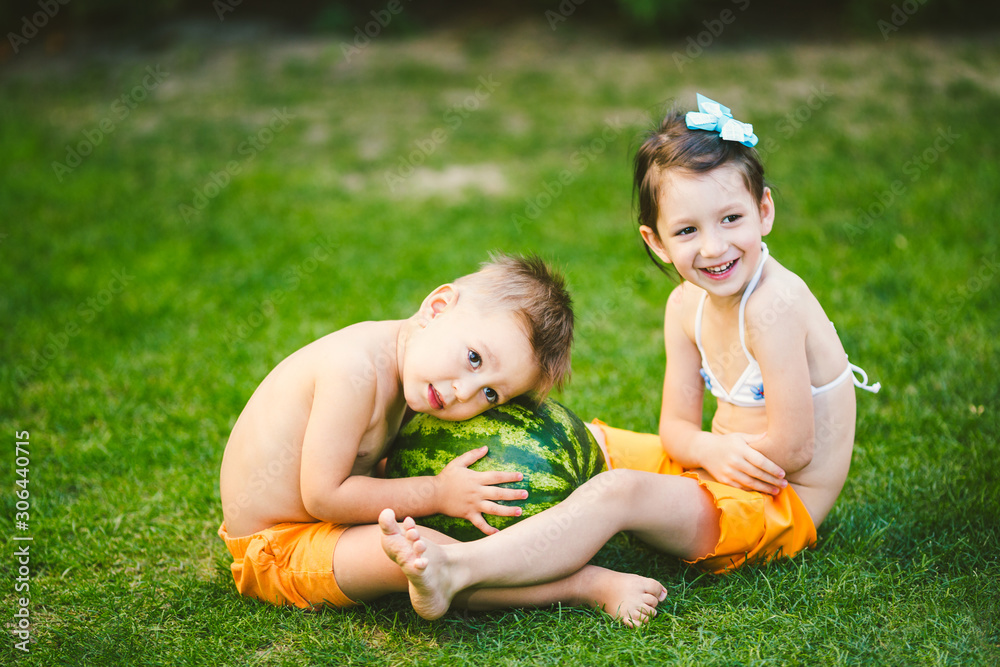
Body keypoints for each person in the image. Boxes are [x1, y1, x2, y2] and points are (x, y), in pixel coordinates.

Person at [379, 94, 880, 623]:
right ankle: (403, 479)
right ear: (656, 241)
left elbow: (794, 449)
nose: (713, 247)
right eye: (687, 230)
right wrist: (706, 450)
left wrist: (707, 458)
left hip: (773, 504)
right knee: (584, 443)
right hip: (715, 465)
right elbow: (675, 430)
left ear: (764, 211)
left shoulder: (774, 306)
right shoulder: (684, 305)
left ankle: (458, 568)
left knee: (617, 490)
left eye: (731, 219)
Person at [217, 252, 667, 627]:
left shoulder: (417, 374)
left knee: (423, 548)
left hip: (324, 522)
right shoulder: (353, 371)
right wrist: (437, 492)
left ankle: (494, 566)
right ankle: (582, 584)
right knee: (422, 555)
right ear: (436, 308)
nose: (463, 393)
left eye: (491, 394)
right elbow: (322, 497)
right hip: (278, 546)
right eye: (474, 358)